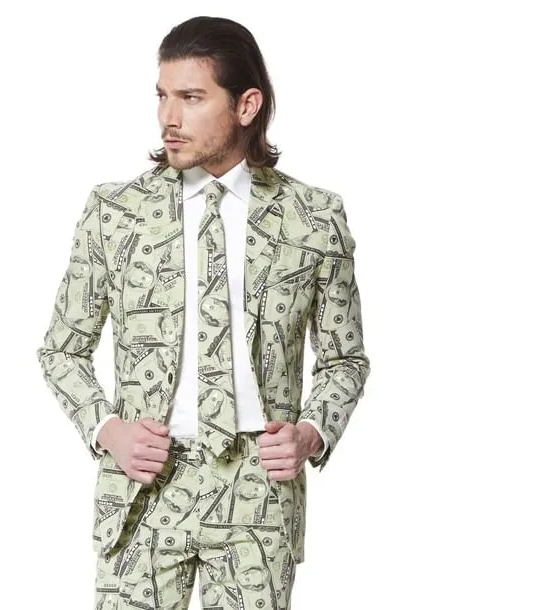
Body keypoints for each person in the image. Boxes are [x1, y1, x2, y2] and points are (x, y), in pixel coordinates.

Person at [35, 15, 371, 610]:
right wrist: (108, 430)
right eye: (162, 96)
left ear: (246, 105)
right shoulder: (114, 212)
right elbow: (62, 350)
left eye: (191, 98)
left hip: (258, 492)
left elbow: (344, 359)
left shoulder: (314, 217)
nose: (169, 117)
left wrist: (310, 434)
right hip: (143, 486)